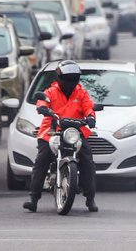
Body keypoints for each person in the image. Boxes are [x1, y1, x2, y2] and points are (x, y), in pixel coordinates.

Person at [23, 60, 99, 212]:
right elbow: (42, 101)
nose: (70, 82)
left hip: (74, 132)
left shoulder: (81, 92)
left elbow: (89, 107)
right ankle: (33, 198)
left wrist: (90, 117)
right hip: (52, 131)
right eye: (67, 78)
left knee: (87, 160)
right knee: (42, 159)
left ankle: (90, 198)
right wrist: (43, 108)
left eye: (74, 78)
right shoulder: (51, 91)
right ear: (59, 78)